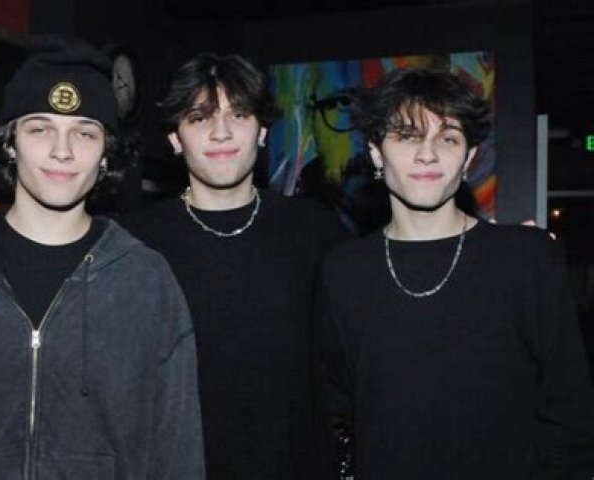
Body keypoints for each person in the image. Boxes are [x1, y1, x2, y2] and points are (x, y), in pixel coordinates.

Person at [0, 35, 204, 478]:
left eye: (84, 132)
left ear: (106, 153)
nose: (61, 150)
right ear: (10, 143)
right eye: (39, 128)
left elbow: (177, 457)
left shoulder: (146, 283)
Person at [318, 68, 594, 479]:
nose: (427, 154)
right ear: (376, 152)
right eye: (407, 136)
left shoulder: (526, 258)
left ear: (468, 157)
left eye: (447, 138)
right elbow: (337, 400)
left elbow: (570, 414)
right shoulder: (344, 271)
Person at [120, 53, 347, 479]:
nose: (221, 131)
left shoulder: (313, 231)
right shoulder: (134, 243)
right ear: (175, 138)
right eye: (199, 117)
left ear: (262, 131)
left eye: (238, 114)